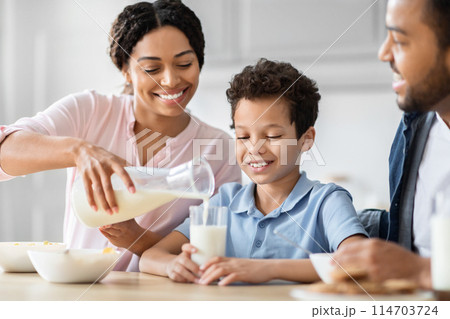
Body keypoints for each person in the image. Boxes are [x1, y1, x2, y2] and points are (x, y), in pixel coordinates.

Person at [0, 0, 241, 272]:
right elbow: (4, 154)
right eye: (152, 69)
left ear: (200, 62)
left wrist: (137, 239)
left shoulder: (218, 149)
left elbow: (214, 252)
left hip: (167, 298)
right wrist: (79, 151)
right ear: (126, 70)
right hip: (82, 293)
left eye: (184, 63)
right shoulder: (89, 110)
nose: (171, 80)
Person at [139, 58, 368, 285]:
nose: (255, 149)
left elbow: (359, 262)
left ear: (306, 139)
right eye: (244, 137)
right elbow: (150, 258)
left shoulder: (326, 202)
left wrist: (268, 269)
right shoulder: (225, 202)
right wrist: (172, 265)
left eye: (272, 136)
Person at [333, 0, 450, 289]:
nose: (383, 52)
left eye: (399, 40)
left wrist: (423, 271)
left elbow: (415, 265)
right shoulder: (415, 126)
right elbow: (407, 234)